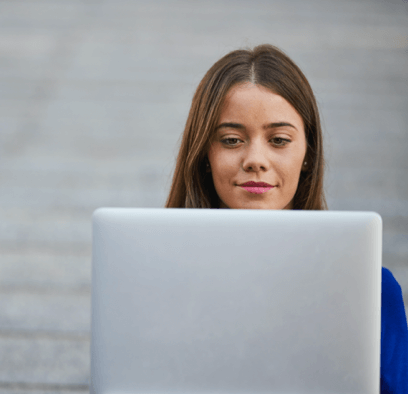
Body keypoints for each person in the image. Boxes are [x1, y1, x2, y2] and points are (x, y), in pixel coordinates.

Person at [164, 44, 408, 393]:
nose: (255, 160)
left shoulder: (371, 291)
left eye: (279, 140)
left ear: (308, 154)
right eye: (232, 140)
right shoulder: (156, 284)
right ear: (205, 153)